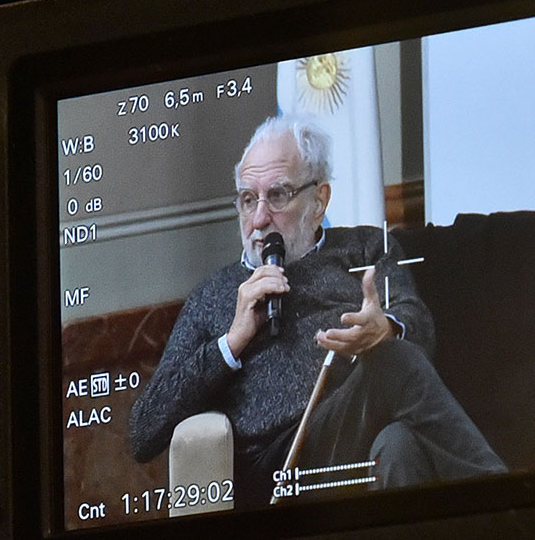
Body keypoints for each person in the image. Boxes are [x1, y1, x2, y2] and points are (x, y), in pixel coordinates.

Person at [129, 114, 505, 509]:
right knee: (393, 362)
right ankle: (504, 501)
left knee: (399, 445)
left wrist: (387, 328)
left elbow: (417, 324)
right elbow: (143, 430)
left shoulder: (365, 248)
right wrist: (232, 341)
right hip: (278, 471)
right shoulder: (213, 294)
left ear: (319, 201)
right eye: (248, 199)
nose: (259, 219)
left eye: (277, 195)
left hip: (356, 437)